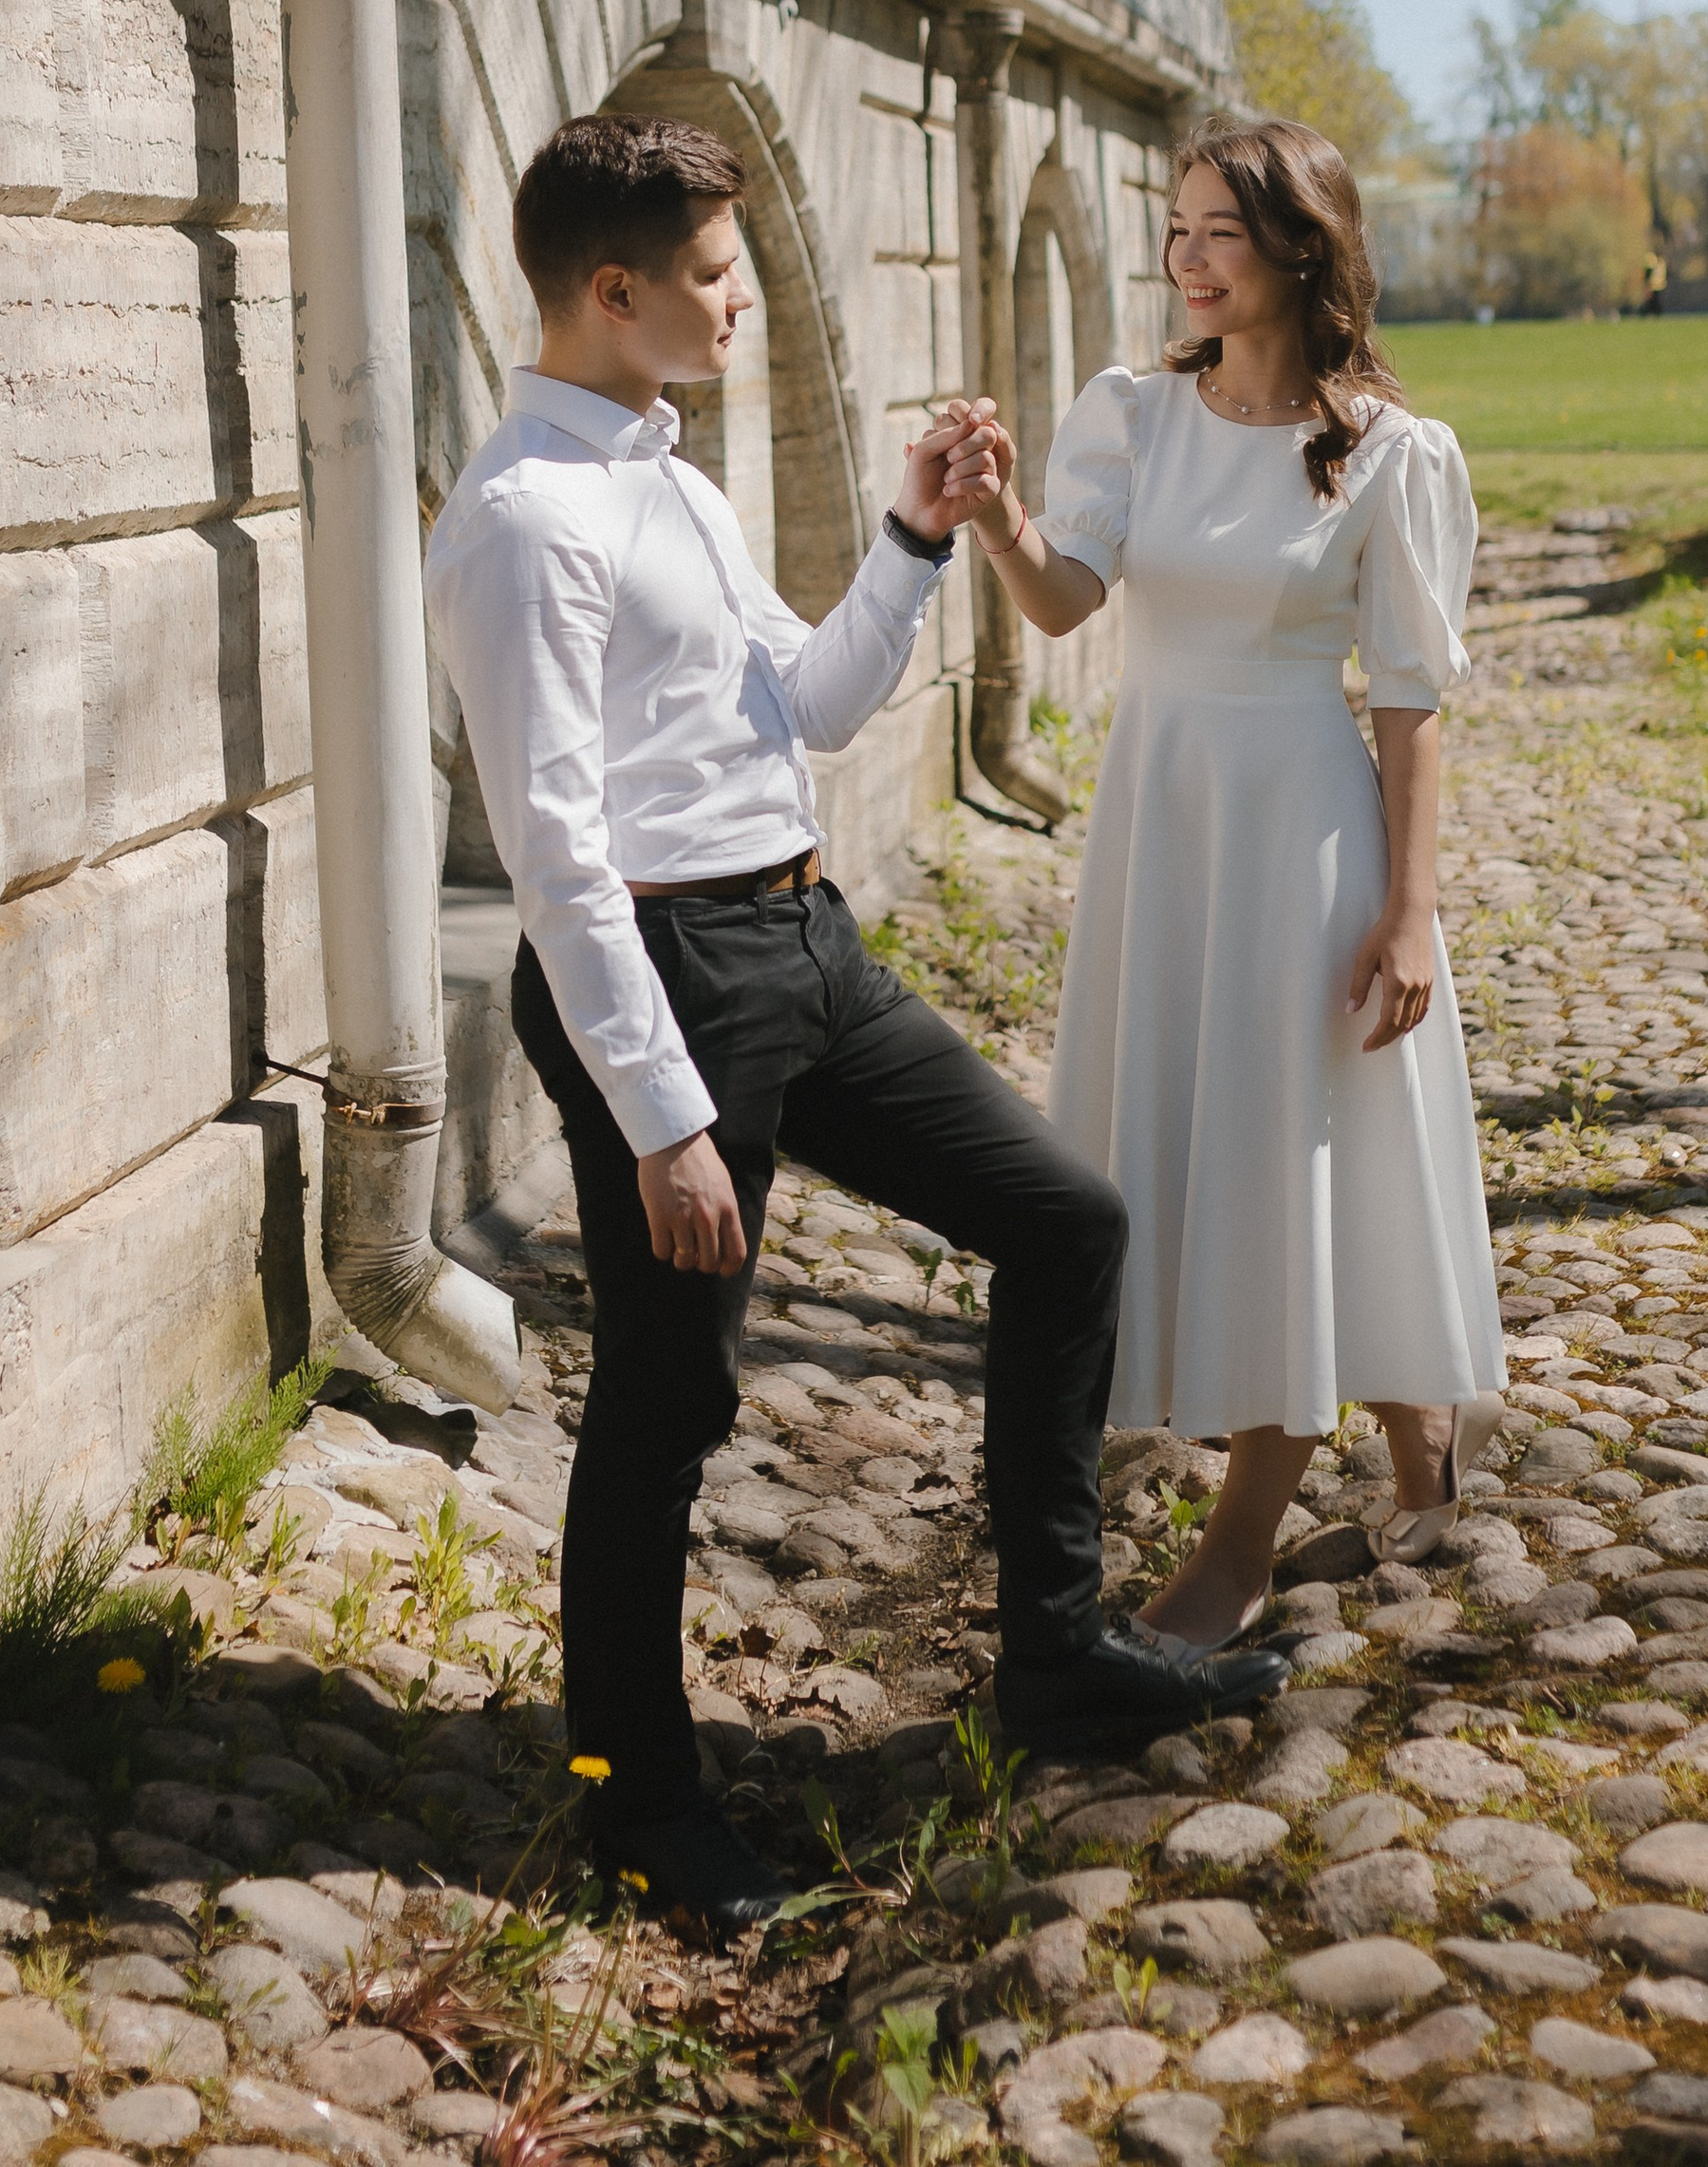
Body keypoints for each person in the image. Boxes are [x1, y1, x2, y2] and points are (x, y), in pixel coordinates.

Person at [424, 112, 1290, 1933]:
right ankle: (634, 1803)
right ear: (612, 291)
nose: (741, 299)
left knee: (1066, 1220)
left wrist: (915, 530)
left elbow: (807, 705)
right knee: (666, 1404)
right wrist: (660, 1118)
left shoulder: (671, 479)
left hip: (805, 945)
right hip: (666, 983)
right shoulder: (523, 519)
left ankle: (1055, 1654)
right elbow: (555, 855)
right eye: (714, 273)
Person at [963, 114, 1508, 1653]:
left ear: (1299, 250)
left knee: (1292, 1163)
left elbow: (1410, 703)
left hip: (1304, 840)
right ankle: (1421, 1429)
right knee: (1247, 1150)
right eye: (1178, 226)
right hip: (1164, 828)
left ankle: (1243, 1547)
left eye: (1220, 230)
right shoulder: (1133, 415)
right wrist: (998, 516)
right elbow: (1064, 600)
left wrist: (1410, 909)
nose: (1186, 257)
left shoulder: (1392, 454)